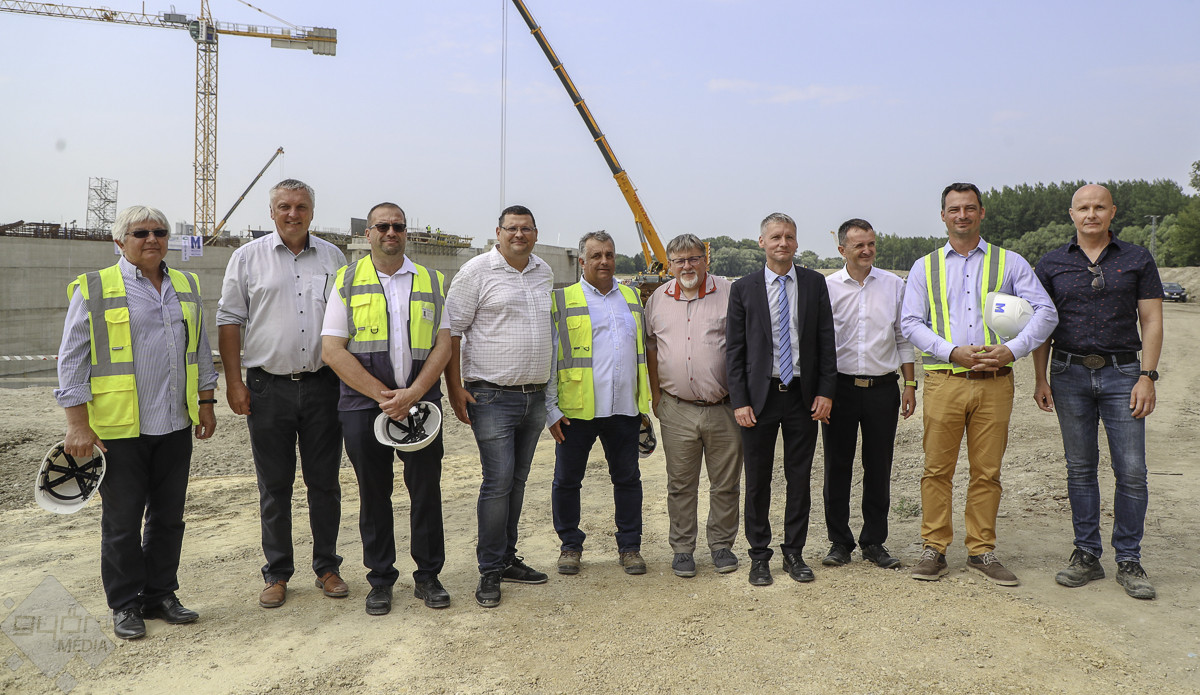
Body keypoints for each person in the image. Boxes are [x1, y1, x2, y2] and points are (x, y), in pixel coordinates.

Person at [55, 205, 217, 640]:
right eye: (140, 232)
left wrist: (206, 401)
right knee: (122, 523)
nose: (152, 239)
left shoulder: (185, 284)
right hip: (118, 431)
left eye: (160, 232)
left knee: (168, 518)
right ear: (119, 241)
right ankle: (125, 604)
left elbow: (200, 348)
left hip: (174, 423)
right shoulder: (95, 287)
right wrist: (77, 424)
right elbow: (71, 360)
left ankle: (160, 594)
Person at [901, 182, 1057, 586]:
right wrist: (952, 351)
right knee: (937, 469)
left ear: (982, 212)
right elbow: (910, 323)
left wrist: (1012, 350)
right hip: (944, 380)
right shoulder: (925, 267)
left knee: (987, 471)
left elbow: (1046, 312)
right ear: (943, 216)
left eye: (970, 208)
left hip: (995, 382)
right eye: (954, 209)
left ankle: (981, 551)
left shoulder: (1011, 263)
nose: (962, 215)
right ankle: (934, 548)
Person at [217, 179, 348, 609]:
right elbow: (229, 320)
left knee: (324, 483)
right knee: (275, 486)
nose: (293, 214)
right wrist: (234, 382)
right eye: (285, 207)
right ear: (271, 212)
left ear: (312, 211)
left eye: (301, 206)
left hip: (323, 387)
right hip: (267, 388)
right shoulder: (246, 258)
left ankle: (327, 567)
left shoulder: (332, 257)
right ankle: (277, 573)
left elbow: (344, 320)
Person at [1032, 184, 1163, 600]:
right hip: (1068, 372)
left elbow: (1152, 320)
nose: (1091, 214)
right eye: (1084, 207)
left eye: (1099, 207)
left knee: (1132, 471)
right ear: (1071, 214)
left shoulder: (1137, 258)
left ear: (1112, 212)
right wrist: (1040, 378)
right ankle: (1087, 554)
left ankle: (1129, 558)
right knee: (1080, 468)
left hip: (1123, 373)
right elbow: (1042, 326)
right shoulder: (1051, 263)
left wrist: (1147, 376)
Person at [321, 202, 452, 615]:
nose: (390, 232)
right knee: (374, 493)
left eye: (398, 226)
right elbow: (332, 350)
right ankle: (380, 580)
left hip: (421, 405)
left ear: (406, 232)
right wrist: (385, 396)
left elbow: (444, 345)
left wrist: (413, 393)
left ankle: (428, 577)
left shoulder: (432, 280)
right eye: (382, 226)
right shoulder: (346, 280)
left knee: (426, 490)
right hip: (364, 407)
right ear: (369, 234)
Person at [445, 205, 553, 608]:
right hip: (491, 396)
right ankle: (489, 568)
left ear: (535, 233)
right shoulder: (476, 272)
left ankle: (507, 558)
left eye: (526, 229)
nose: (519, 235)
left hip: (534, 395)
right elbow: (451, 333)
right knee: (498, 481)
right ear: (498, 232)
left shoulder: (543, 272)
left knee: (518, 481)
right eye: (512, 229)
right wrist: (455, 387)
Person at [726, 212, 837, 586]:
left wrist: (826, 391)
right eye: (775, 236)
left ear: (796, 242)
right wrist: (740, 400)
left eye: (789, 236)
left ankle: (794, 553)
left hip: (803, 396)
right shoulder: (744, 288)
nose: (783, 243)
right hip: (760, 399)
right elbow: (734, 350)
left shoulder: (814, 283)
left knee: (799, 478)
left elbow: (826, 341)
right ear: (762, 242)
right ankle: (759, 556)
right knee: (757, 480)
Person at [547, 230, 652, 576]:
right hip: (575, 410)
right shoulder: (562, 300)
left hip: (624, 408)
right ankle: (570, 546)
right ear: (582, 261)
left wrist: (644, 405)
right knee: (567, 481)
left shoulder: (632, 298)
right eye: (596, 255)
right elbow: (550, 357)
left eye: (609, 254)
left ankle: (630, 547)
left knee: (628, 480)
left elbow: (643, 351)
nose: (603, 261)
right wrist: (551, 409)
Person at [645, 233, 742, 578]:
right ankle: (683, 548)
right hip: (677, 408)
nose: (687, 266)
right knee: (680, 485)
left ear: (705, 260)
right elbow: (651, 347)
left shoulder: (729, 294)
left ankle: (721, 546)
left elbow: (745, 346)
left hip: (724, 408)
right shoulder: (657, 300)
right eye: (679, 260)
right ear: (670, 265)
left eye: (693, 258)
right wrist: (656, 397)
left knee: (726, 484)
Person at [821, 218, 915, 570]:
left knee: (878, 466)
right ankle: (839, 542)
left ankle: (874, 541)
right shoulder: (827, 287)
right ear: (842, 249)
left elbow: (903, 337)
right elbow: (820, 342)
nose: (866, 250)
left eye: (871, 244)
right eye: (858, 245)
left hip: (882, 389)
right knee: (837, 466)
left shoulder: (893, 285)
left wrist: (910, 384)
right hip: (840, 389)